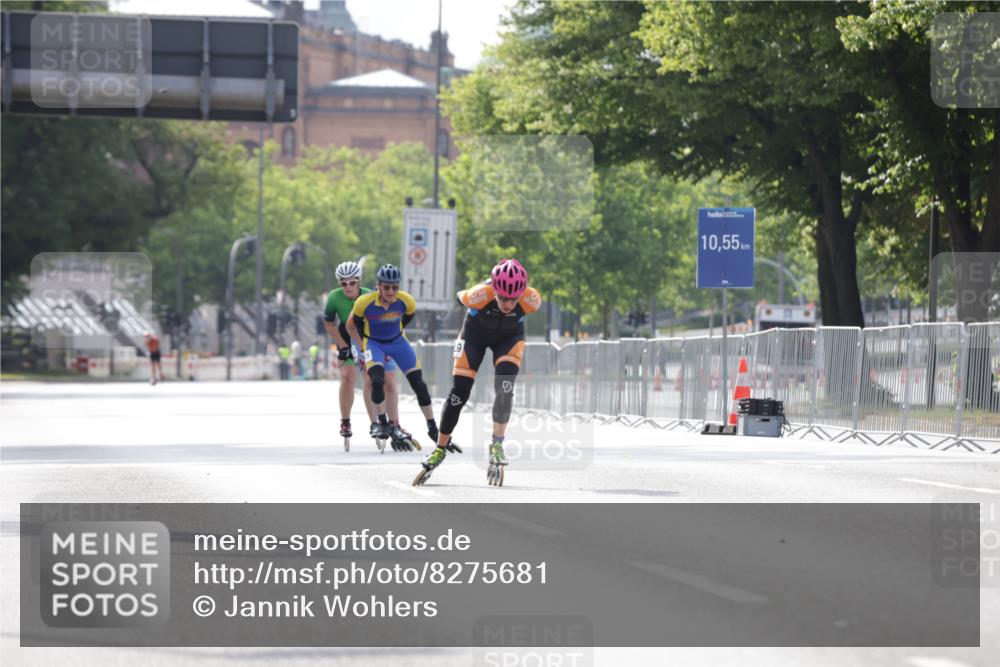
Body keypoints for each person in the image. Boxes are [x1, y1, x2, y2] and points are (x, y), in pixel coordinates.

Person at [413, 259, 541, 486]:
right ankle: (440, 448)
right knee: (458, 393)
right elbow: (459, 296)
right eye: (502, 297)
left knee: (505, 388)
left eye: (513, 298)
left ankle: (497, 444)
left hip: (509, 338)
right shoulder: (478, 294)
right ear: (494, 289)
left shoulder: (532, 300)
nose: (508, 303)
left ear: (522, 293)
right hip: (474, 336)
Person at [346, 264, 439, 451]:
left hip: (398, 341)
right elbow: (354, 325)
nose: (391, 291)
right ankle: (383, 423)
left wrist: (394, 333)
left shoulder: (407, 301)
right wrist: (363, 348)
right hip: (374, 343)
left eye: (394, 287)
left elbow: (406, 319)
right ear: (378, 285)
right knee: (377, 381)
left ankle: (432, 427)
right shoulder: (364, 303)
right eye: (386, 287)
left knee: (419, 384)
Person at [323, 260, 403, 446]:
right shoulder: (334, 298)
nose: (348, 287)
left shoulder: (369, 295)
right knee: (347, 377)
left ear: (359, 282)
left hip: (366, 338)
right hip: (345, 336)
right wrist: (342, 345)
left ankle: (378, 422)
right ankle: (345, 421)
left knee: (372, 378)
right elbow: (329, 324)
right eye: (343, 283)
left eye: (352, 283)